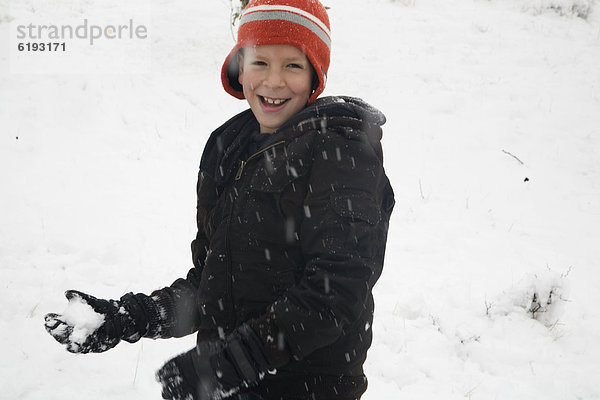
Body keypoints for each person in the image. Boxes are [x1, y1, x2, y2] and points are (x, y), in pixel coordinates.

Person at [43, 0, 395, 399]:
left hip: (308, 389)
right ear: (239, 67)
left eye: (293, 65)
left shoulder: (342, 153)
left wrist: (230, 364)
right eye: (260, 62)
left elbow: (335, 293)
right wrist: (130, 318)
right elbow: (212, 285)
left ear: (316, 75)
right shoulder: (229, 148)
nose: (274, 81)